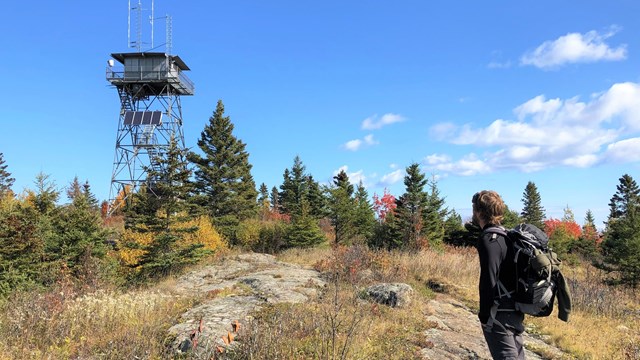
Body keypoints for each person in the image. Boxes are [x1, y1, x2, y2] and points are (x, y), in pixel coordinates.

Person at [472, 190, 525, 359]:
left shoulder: (489, 239)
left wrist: (485, 315)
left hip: (499, 313)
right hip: (514, 310)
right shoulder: (506, 236)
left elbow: (489, 279)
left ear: (480, 212)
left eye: (474, 209)